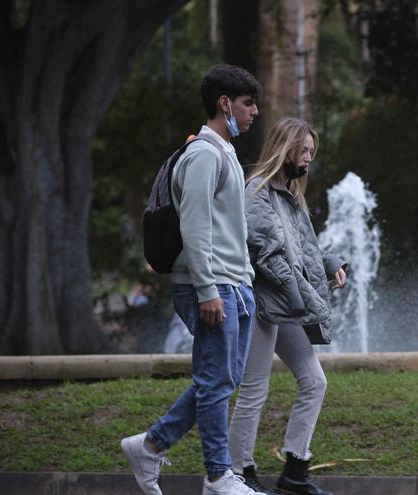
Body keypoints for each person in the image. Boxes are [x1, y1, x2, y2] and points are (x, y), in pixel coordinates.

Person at [121, 64, 265, 495]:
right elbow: (196, 225)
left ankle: (150, 446)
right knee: (216, 380)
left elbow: (229, 227)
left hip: (234, 283)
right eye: (247, 103)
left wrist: (246, 278)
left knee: (220, 380)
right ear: (225, 103)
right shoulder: (203, 155)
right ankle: (219, 475)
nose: (254, 111)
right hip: (211, 285)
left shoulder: (225, 154)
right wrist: (207, 290)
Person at [228, 117, 346, 495]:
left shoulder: (291, 196)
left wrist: (331, 264)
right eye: (304, 150)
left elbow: (302, 251)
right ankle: (237, 472)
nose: (309, 158)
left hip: (287, 303)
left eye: (312, 151)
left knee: (314, 381)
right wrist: (297, 289)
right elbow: (266, 253)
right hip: (263, 304)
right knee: (254, 391)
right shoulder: (256, 192)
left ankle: (295, 471)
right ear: (286, 148)